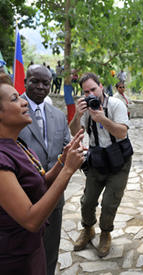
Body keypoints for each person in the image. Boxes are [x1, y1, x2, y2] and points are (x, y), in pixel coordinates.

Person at [0, 76, 84, 275]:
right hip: (15, 257)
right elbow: (30, 219)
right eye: (14, 99)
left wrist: (62, 162)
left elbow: (38, 183)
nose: (23, 101)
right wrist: (68, 171)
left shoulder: (17, 145)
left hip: (32, 249)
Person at [69, 73, 132, 257]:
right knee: (87, 200)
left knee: (109, 202)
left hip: (119, 159)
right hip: (97, 159)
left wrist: (101, 118)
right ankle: (88, 229)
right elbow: (76, 134)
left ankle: (105, 233)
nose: (91, 95)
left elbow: (122, 132)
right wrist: (78, 114)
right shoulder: (85, 109)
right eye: (86, 92)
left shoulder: (116, 104)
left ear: (101, 86)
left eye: (93, 89)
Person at [18, 65, 71, 275]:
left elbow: (65, 148)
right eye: (35, 81)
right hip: (22, 199)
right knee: (23, 254)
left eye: (45, 83)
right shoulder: (13, 110)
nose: (40, 87)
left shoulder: (58, 116)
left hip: (54, 198)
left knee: (50, 252)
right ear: (25, 81)